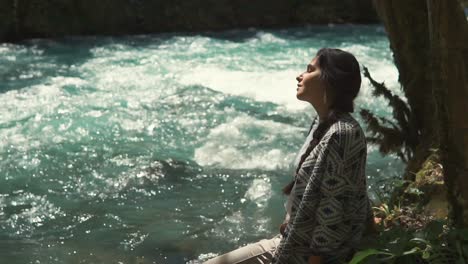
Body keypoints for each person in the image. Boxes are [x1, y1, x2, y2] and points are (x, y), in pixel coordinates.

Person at [203, 48, 373, 264]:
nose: (299, 75)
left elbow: (334, 204)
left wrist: (316, 259)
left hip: (305, 253)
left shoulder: (342, 133)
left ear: (329, 80)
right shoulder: (323, 124)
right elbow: (354, 184)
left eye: (310, 70)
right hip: (293, 239)